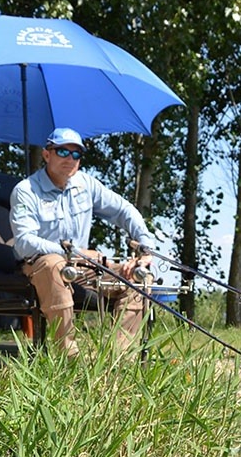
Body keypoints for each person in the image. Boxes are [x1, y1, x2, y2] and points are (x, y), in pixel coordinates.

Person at [9, 127, 157, 357]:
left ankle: (119, 363)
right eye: (62, 152)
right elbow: (24, 242)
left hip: (82, 267)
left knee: (138, 277)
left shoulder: (86, 184)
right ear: (47, 155)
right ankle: (68, 360)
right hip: (39, 265)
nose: (70, 159)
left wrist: (145, 247)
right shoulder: (26, 190)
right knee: (54, 265)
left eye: (76, 154)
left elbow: (124, 210)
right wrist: (73, 253)